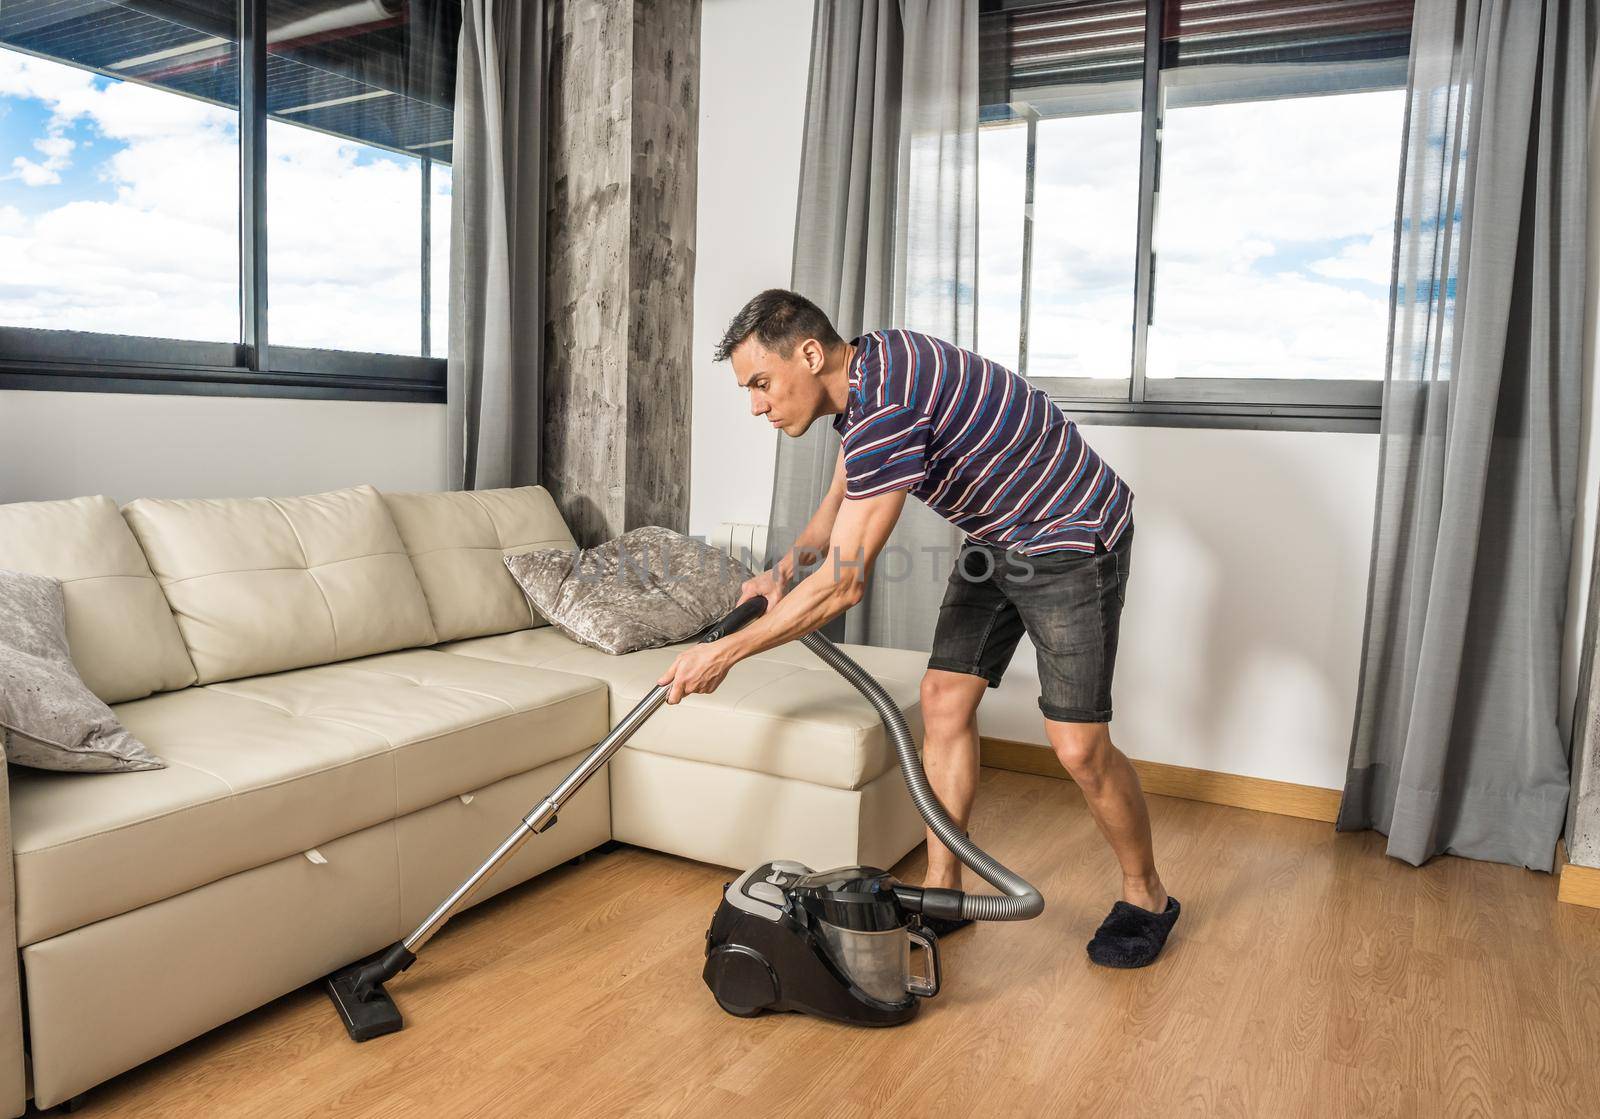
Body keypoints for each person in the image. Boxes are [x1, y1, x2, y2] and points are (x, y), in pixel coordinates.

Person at [658, 289, 1179, 968]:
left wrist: (723, 653)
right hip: (998, 536)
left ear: (810, 354)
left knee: (1078, 747)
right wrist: (785, 568)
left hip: (1071, 537)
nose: (756, 404)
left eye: (760, 382)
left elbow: (845, 583)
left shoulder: (888, 402)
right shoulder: (867, 375)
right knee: (942, 699)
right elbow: (847, 488)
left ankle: (1148, 896)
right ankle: (944, 890)